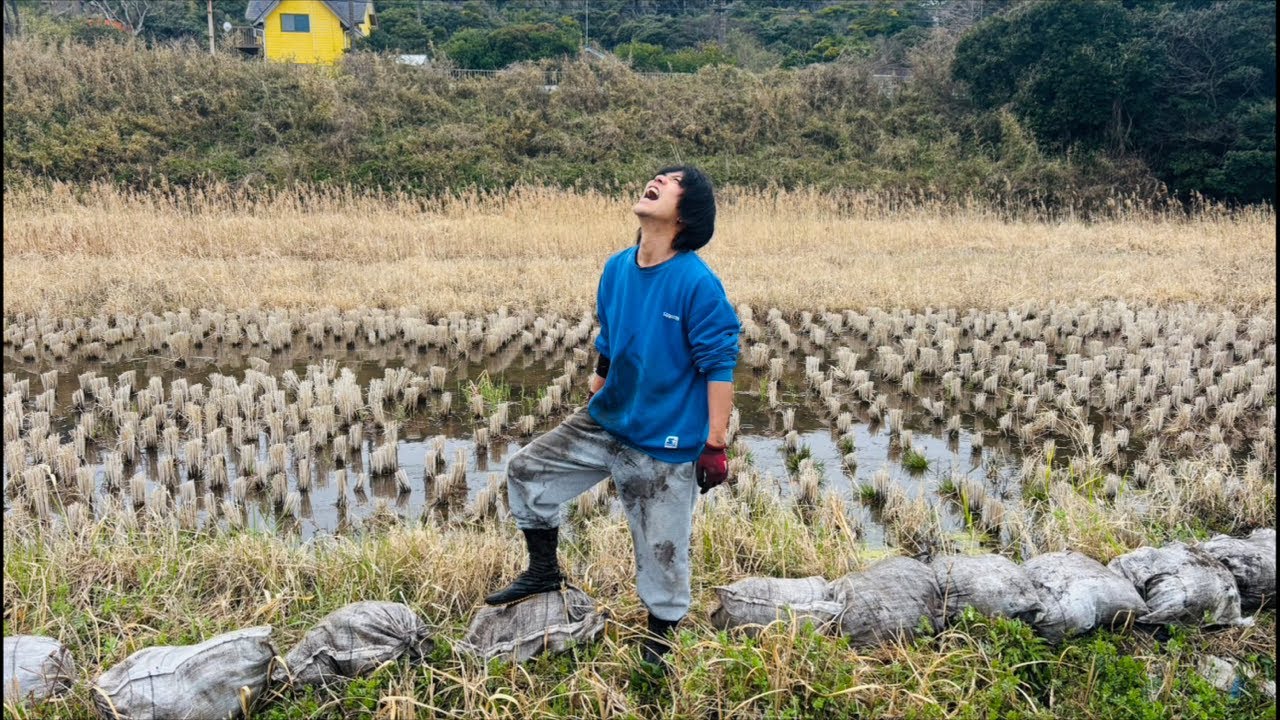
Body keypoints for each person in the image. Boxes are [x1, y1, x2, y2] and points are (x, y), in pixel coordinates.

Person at [484, 165, 740, 669]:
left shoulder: (697, 284)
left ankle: (659, 646)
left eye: (672, 182)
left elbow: (719, 365)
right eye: (657, 176)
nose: (658, 181)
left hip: (663, 442)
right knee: (527, 473)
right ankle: (543, 572)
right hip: (606, 422)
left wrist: (714, 445)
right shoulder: (617, 267)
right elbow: (610, 334)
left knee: (663, 552)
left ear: (687, 215)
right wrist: (600, 378)